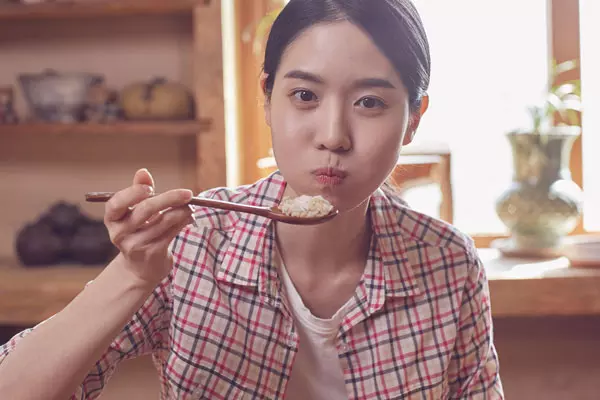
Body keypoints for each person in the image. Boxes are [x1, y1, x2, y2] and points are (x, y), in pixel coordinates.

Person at [0, 0, 504, 398]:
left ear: (413, 120)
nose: (333, 135)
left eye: (369, 102)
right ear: (267, 97)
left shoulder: (448, 261)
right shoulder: (193, 242)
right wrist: (132, 275)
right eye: (305, 96)